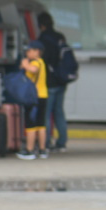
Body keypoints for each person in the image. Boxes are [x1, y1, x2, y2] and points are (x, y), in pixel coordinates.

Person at [36, 13, 70, 153]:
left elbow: (42, 61)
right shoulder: (60, 36)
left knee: (46, 113)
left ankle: (46, 142)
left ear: (41, 25)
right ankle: (62, 142)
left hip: (49, 82)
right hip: (61, 80)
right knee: (59, 112)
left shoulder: (42, 39)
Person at [18, 42, 50, 160]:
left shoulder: (36, 62)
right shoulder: (42, 62)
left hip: (33, 97)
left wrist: (25, 64)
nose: (27, 53)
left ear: (37, 51)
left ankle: (29, 150)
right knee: (41, 124)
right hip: (43, 95)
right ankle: (42, 149)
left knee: (31, 124)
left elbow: (33, 70)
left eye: (29, 50)